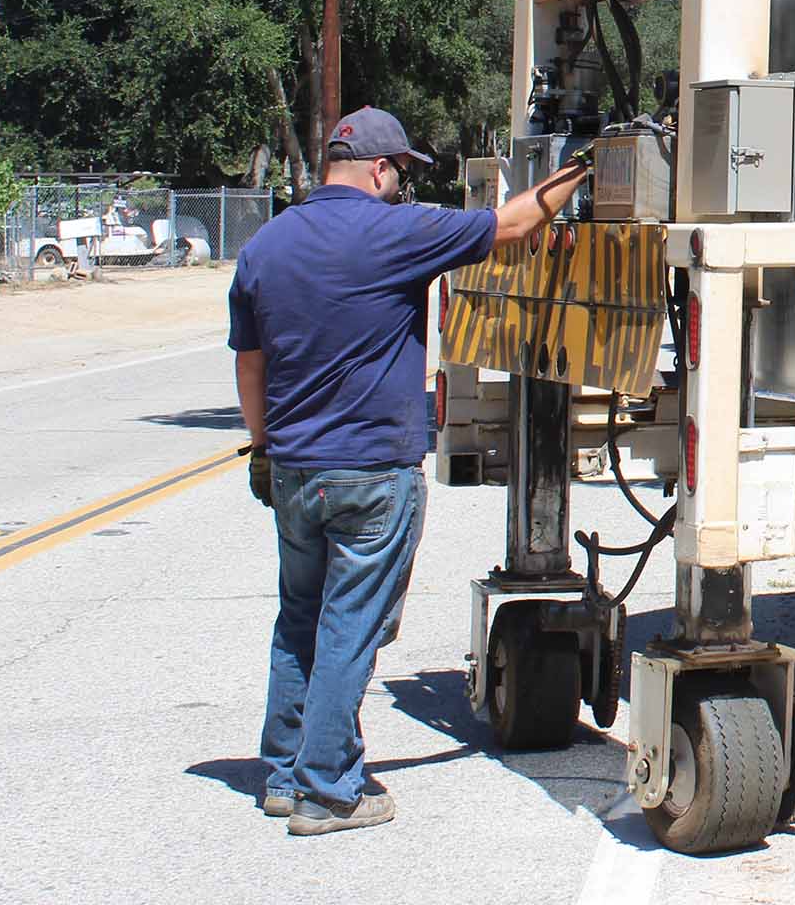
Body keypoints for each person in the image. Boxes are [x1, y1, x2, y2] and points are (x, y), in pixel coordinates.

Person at [230, 106, 590, 836]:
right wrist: (587, 166)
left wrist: (264, 445)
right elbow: (515, 223)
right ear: (379, 169)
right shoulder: (395, 232)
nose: (399, 187)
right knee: (348, 627)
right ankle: (328, 789)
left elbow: (250, 362)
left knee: (299, 618)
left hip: (295, 470)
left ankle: (282, 771)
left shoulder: (265, 245)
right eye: (399, 175)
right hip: (371, 472)